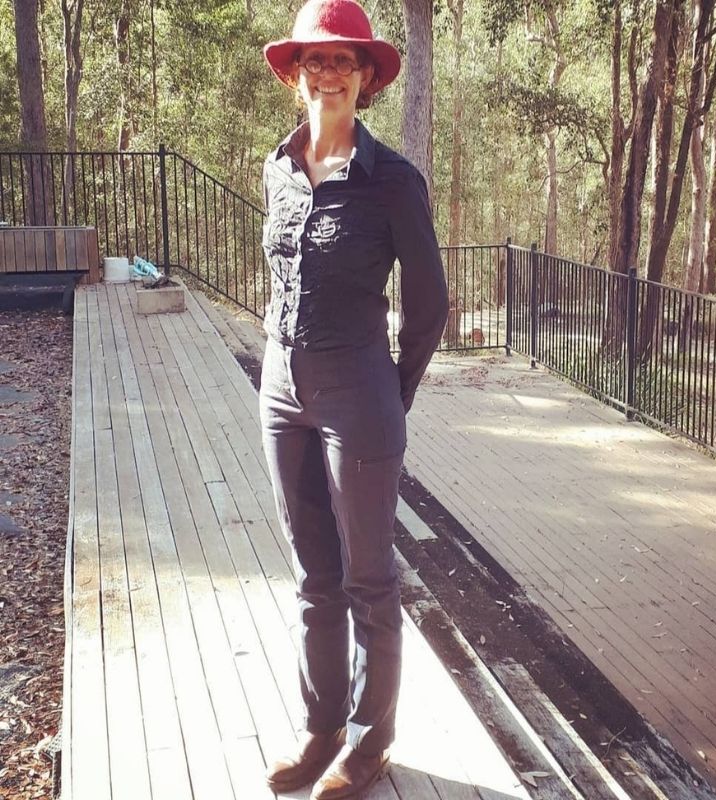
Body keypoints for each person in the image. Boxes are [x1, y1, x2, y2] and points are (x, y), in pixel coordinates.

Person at [259, 0, 449, 797]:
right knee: (313, 575)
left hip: (360, 395)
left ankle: (370, 745)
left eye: (344, 60)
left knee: (369, 576)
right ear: (297, 75)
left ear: (366, 77)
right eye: (315, 59)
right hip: (281, 391)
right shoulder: (277, 166)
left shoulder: (393, 182)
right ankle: (321, 728)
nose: (327, 72)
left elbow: (432, 304)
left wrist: (388, 395)